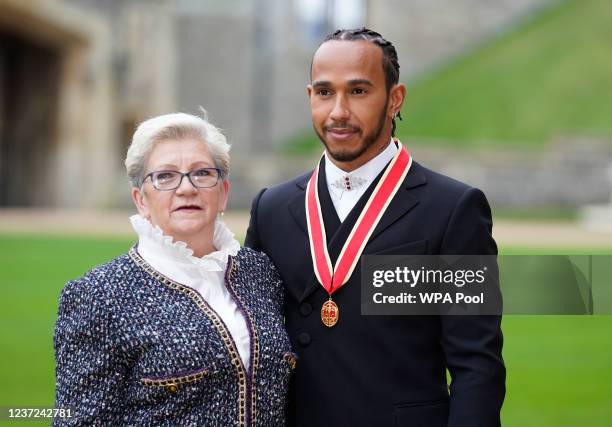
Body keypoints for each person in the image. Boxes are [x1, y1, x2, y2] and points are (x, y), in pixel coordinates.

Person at [245, 28, 505, 426]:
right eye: (324, 92)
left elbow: (477, 366)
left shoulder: (454, 209)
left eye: (359, 91)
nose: (338, 112)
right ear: (310, 96)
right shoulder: (271, 209)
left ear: (394, 99)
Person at [54, 112, 294, 426]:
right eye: (165, 176)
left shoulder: (260, 273)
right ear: (141, 199)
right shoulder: (98, 296)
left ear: (223, 192)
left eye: (202, 173)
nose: (186, 188)